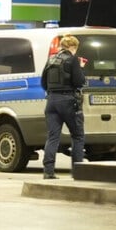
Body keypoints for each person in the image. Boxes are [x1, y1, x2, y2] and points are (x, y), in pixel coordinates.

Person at [40, 34, 87, 180]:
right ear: (73, 47)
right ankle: (78, 172)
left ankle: (48, 171)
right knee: (77, 135)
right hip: (68, 101)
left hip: (51, 101)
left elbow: (43, 83)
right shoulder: (72, 60)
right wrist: (80, 68)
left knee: (53, 136)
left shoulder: (51, 60)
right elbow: (79, 81)